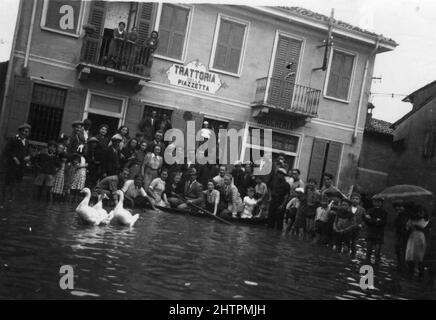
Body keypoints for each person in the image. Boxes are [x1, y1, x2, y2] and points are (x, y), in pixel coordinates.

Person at [1, 123, 31, 204]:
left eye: (27, 132)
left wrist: (28, 157)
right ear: (20, 131)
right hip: (12, 165)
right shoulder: (13, 140)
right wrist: (14, 158)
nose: (25, 133)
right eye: (24, 131)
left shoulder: (26, 142)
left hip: (21, 166)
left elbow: (28, 152)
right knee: (8, 182)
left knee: (16, 182)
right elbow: (7, 151)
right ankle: (3, 198)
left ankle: (11, 198)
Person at [405, 204, 429, 279]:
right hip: (412, 238)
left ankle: (420, 274)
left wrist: (419, 228)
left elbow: (427, 230)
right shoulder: (411, 220)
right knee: (410, 255)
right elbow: (406, 228)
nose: (420, 213)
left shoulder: (426, 220)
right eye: (419, 212)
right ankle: (410, 272)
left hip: (421, 238)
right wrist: (409, 228)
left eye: (422, 212)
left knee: (420, 256)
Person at [363, 195, 388, 263]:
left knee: (377, 251)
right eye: (375, 201)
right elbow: (367, 220)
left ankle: (377, 264)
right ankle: (367, 263)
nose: (377, 203)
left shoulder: (384, 212)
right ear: (373, 202)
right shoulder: (370, 210)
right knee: (368, 250)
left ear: (381, 202)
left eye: (378, 202)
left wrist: (372, 220)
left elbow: (383, 222)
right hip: (370, 233)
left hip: (379, 233)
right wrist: (376, 220)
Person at [393, 199, 410, 271]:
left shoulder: (407, 215)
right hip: (399, 235)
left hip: (406, 236)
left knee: (403, 250)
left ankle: (404, 266)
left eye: (400, 206)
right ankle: (399, 265)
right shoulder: (398, 215)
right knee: (397, 249)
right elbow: (395, 225)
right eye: (396, 206)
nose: (398, 208)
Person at [350, 193, 366, 257]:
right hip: (347, 229)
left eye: (357, 199)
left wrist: (361, 225)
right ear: (350, 199)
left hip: (357, 229)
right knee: (346, 243)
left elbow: (364, 219)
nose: (355, 200)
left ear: (359, 200)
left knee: (354, 244)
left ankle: (353, 256)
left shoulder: (362, 209)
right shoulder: (347, 207)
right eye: (353, 198)